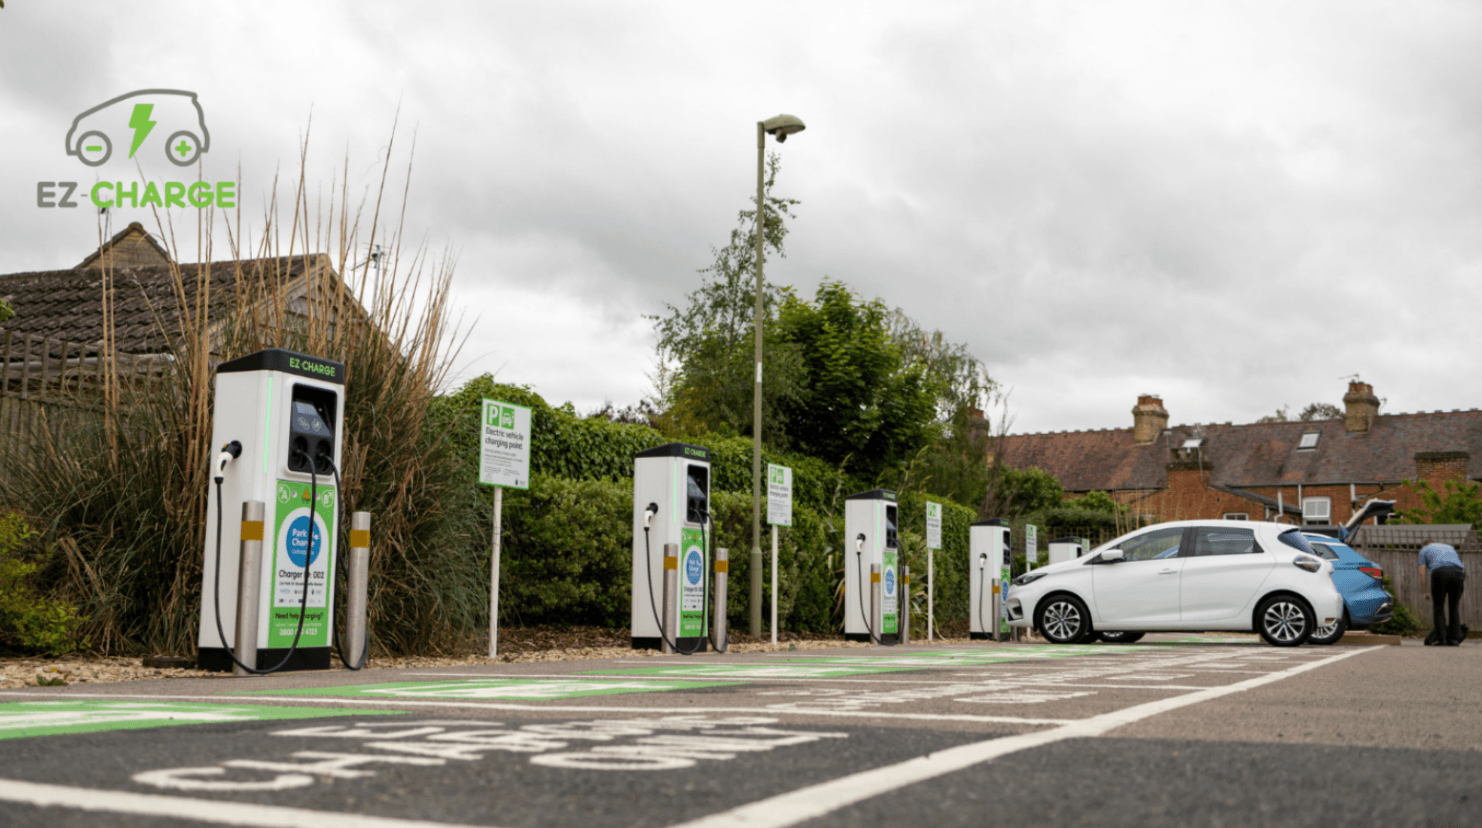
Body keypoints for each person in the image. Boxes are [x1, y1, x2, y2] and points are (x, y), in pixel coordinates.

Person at [1419, 536, 1466, 646]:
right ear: (1433, 542)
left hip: (1440, 573)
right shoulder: (1449, 547)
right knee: (1454, 606)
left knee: (1438, 606)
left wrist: (1425, 592)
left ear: (1425, 545)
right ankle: (1454, 639)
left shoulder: (1424, 550)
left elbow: (1422, 574)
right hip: (1459, 573)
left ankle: (1441, 639)